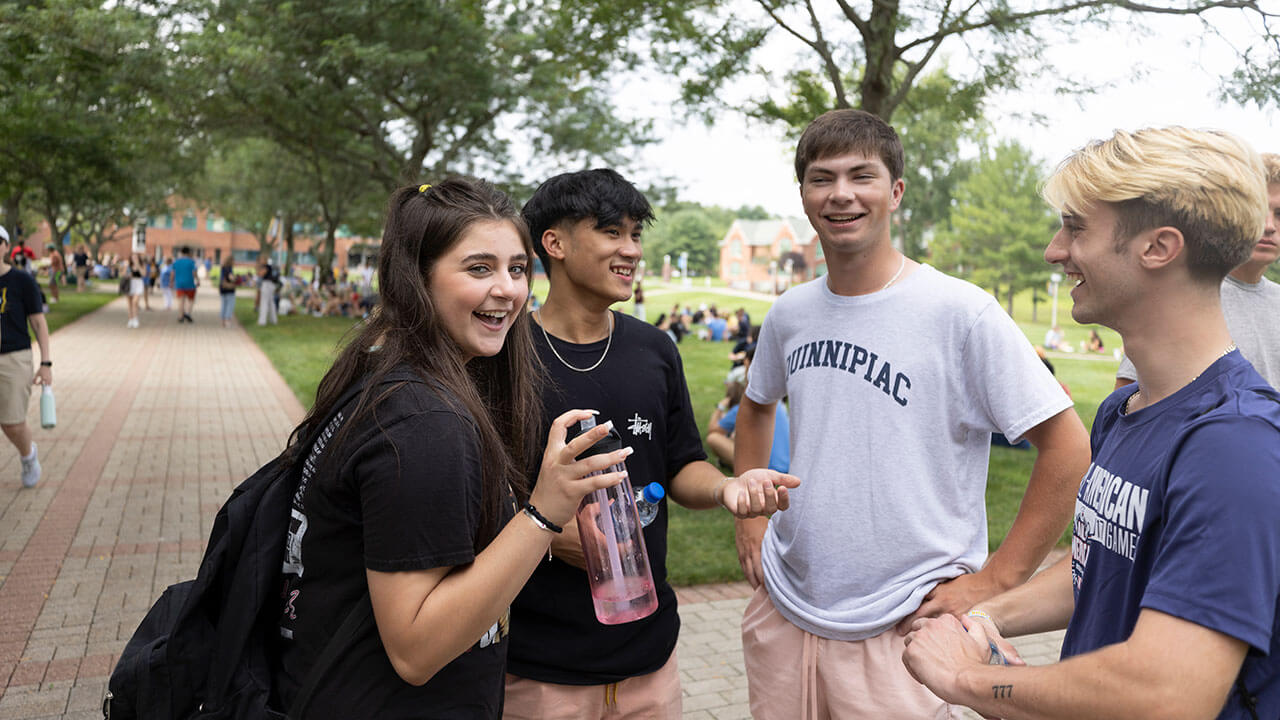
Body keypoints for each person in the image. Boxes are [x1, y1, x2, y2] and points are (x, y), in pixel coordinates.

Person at [902, 127, 1280, 720]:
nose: (1055, 250)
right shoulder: (1122, 413)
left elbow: (1166, 694)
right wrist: (983, 617)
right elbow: (1101, 565)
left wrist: (964, 677)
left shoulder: (1235, 445)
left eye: (1076, 227)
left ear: (1159, 247)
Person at [732, 109, 1091, 718]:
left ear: (895, 192)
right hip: (787, 605)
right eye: (822, 178)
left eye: (861, 175)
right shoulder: (790, 314)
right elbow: (757, 402)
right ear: (803, 195)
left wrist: (1000, 579)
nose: (841, 194)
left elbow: (1069, 447)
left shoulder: (959, 312)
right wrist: (750, 514)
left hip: (905, 626)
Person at [273, 178, 628, 718]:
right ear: (416, 278)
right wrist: (544, 513)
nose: (508, 289)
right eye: (479, 268)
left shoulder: (386, 379)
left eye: (516, 268)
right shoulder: (422, 423)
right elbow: (416, 650)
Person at [504, 168, 799, 720]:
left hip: (648, 660)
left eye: (636, 234)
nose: (631, 250)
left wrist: (728, 489)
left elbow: (684, 462)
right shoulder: (504, 355)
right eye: (612, 232)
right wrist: (543, 536)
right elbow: (468, 496)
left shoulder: (654, 348)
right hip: (539, 669)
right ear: (555, 243)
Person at [1114, 151, 1280, 390]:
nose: (1269, 226)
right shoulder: (1183, 296)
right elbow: (1128, 401)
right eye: (1260, 211)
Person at [0, 227, 51, 488]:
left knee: (12, 424)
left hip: (14, 358)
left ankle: (28, 455)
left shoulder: (22, 281)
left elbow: (39, 324)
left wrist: (45, 364)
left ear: (6, 247)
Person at [708, 348, 789, 474]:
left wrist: (720, 406)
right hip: (787, 466)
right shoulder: (778, 403)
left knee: (713, 438)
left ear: (748, 364)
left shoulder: (748, 406)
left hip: (764, 470)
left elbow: (713, 430)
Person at [172, 246, 197, 323]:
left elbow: (173, 273)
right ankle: (188, 313)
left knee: (180, 300)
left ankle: (180, 316)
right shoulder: (191, 262)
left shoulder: (176, 262)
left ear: (181, 252)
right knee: (191, 300)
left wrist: (171, 282)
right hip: (190, 283)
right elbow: (194, 272)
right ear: (189, 252)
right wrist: (198, 280)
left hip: (179, 284)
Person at [124, 256, 144, 328]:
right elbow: (123, 274)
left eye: (136, 257)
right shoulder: (128, 266)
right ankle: (130, 319)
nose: (134, 259)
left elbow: (143, 274)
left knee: (135, 302)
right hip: (130, 284)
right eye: (133, 257)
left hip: (138, 284)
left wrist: (138, 265)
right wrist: (127, 273)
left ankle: (135, 319)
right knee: (129, 303)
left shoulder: (141, 265)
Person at [257, 261, 278, 326]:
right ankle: (273, 320)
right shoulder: (272, 267)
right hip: (272, 285)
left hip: (266, 284)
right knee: (271, 303)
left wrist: (258, 269)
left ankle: (262, 321)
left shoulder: (266, 267)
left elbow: (260, 274)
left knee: (264, 303)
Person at [218, 258, 236, 328]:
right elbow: (231, 278)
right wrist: (235, 279)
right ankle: (228, 321)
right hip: (229, 289)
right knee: (230, 305)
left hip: (222, 289)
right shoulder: (229, 269)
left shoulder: (223, 268)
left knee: (223, 305)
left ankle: (223, 322)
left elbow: (221, 279)